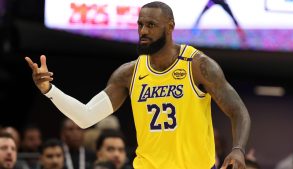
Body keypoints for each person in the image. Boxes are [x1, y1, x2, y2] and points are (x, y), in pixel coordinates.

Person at [25, 1, 251, 169]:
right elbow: (86, 116)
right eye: (140, 24)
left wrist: (238, 150)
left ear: (170, 27)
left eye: (151, 25)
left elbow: (238, 111)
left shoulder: (197, 66)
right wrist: (49, 91)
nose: (143, 31)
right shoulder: (130, 73)